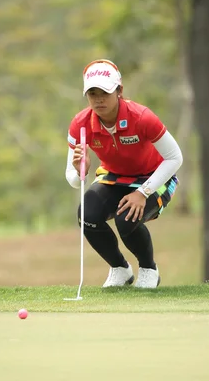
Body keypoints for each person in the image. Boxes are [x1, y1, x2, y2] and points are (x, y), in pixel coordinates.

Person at [65, 59, 183, 288]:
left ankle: (149, 269)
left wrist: (142, 192)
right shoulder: (80, 124)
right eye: (92, 93)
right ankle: (120, 269)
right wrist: (83, 171)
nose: (98, 100)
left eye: (105, 93)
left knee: (126, 217)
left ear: (119, 90)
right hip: (114, 177)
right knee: (86, 213)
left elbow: (175, 157)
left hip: (154, 177)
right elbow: (72, 177)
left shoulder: (142, 117)